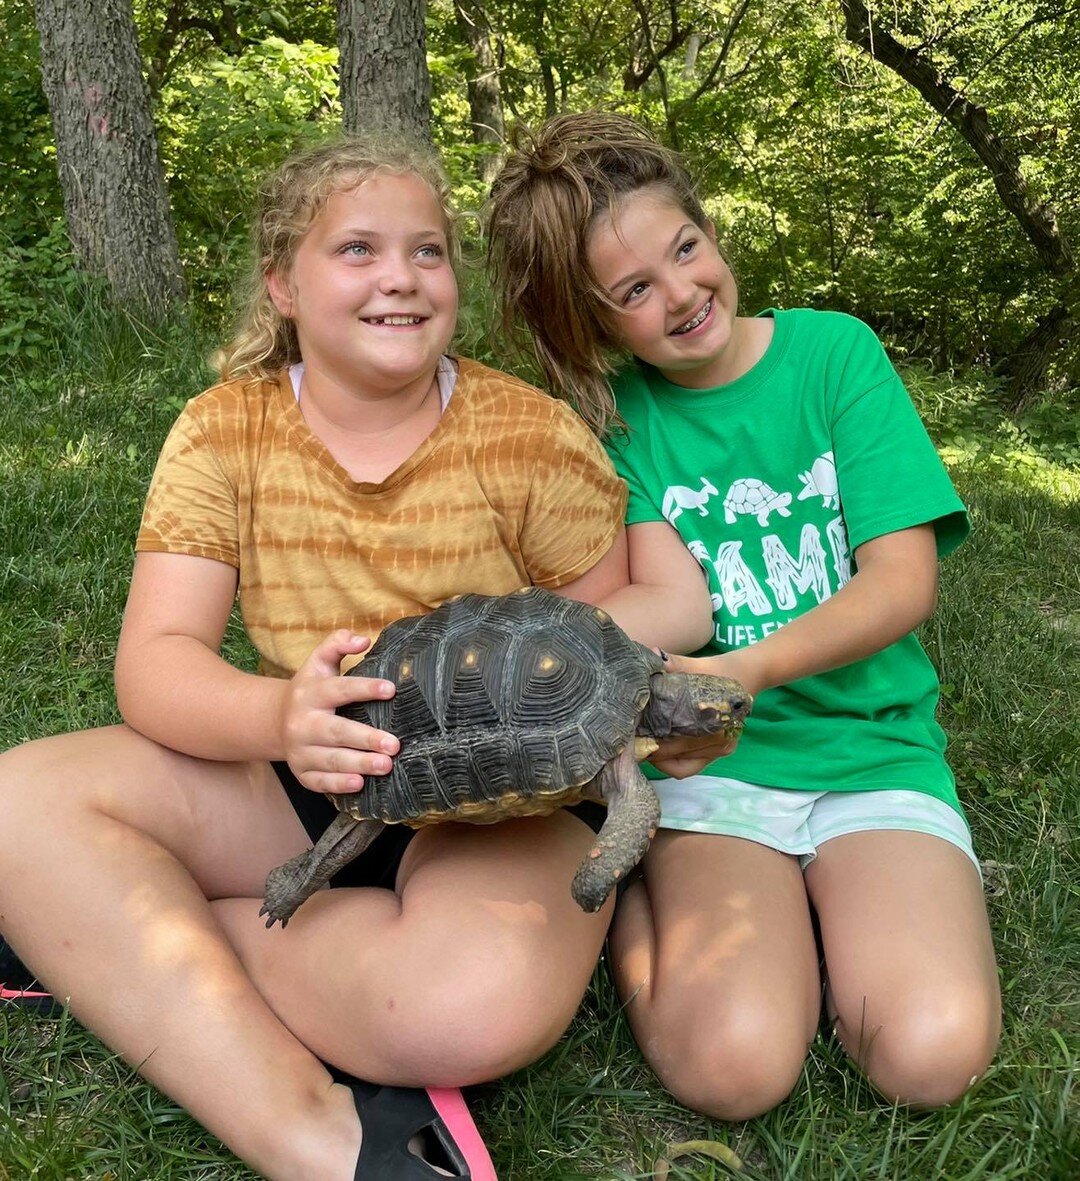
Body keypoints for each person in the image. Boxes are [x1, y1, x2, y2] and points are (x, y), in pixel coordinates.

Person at [0, 136, 719, 1180]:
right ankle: (321, 1133)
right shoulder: (223, 431)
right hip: (311, 775)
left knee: (468, 1007)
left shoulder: (527, 432)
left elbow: (610, 625)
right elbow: (155, 662)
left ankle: (117, 937)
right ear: (282, 284)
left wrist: (641, 713)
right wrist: (277, 718)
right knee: (16, 807)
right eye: (358, 249)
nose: (400, 276)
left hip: (503, 804)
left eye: (429, 251)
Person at [485, 110, 1001, 1121]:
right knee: (735, 1068)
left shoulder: (833, 355)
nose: (681, 293)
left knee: (934, 1055)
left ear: (710, 230)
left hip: (874, 756)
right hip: (715, 775)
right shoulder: (617, 429)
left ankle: (843, 924)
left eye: (686, 249)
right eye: (634, 290)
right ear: (593, 320)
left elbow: (902, 583)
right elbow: (665, 605)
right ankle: (644, 903)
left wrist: (752, 670)